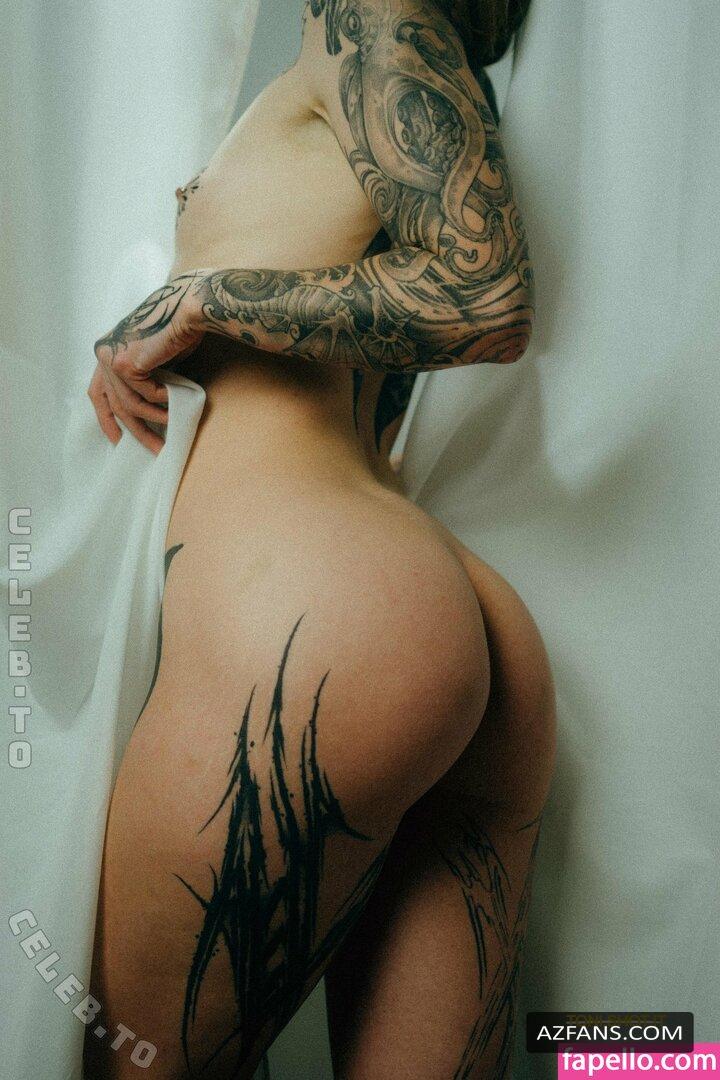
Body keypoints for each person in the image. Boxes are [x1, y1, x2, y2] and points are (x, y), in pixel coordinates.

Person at [84, 2, 555, 1077]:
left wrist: (203, 297)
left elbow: (485, 293)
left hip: (313, 618)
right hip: (436, 610)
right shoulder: (408, 67)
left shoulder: (371, 12)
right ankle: (683, 1056)